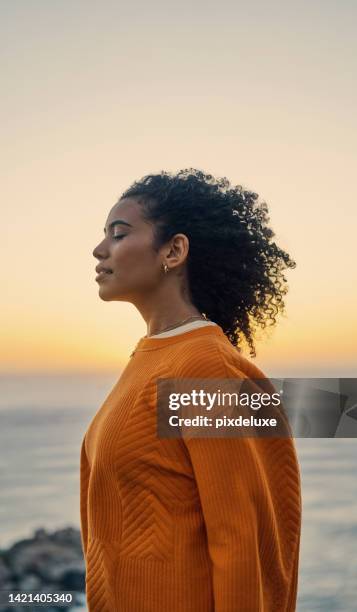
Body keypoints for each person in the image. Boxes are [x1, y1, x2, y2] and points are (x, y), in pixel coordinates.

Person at [81, 168, 301, 611]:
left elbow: (244, 544)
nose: (99, 249)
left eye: (119, 234)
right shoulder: (151, 357)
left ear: (174, 250)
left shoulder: (205, 367)